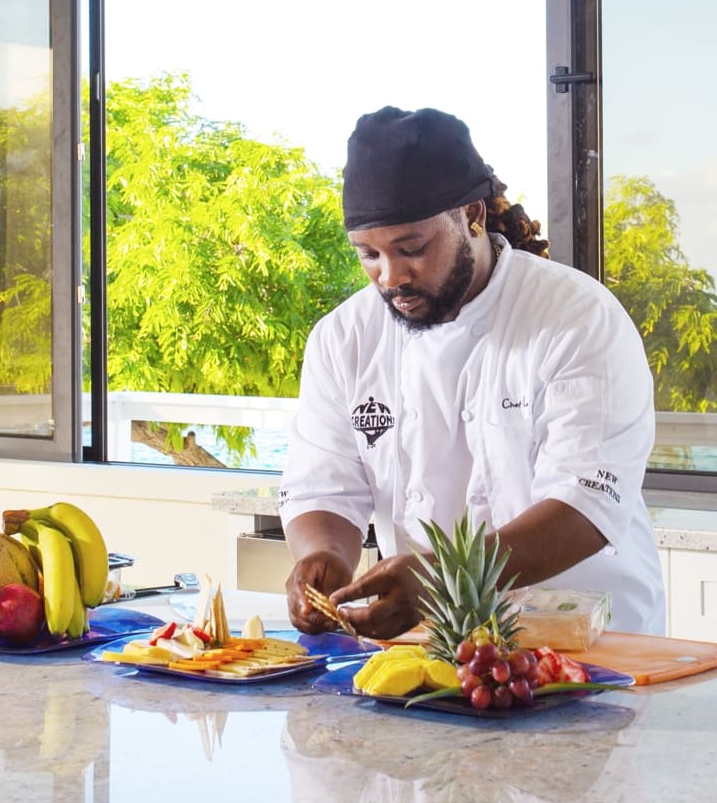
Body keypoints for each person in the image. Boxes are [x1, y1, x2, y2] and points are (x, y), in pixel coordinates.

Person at [281, 106, 665, 639]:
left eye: (412, 249)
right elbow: (323, 486)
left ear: (472, 216)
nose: (390, 277)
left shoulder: (576, 317)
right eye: (368, 255)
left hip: (595, 646)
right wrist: (322, 556)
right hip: (430, 643)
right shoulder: (343, 337)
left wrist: (447, 578)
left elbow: (586, 503)